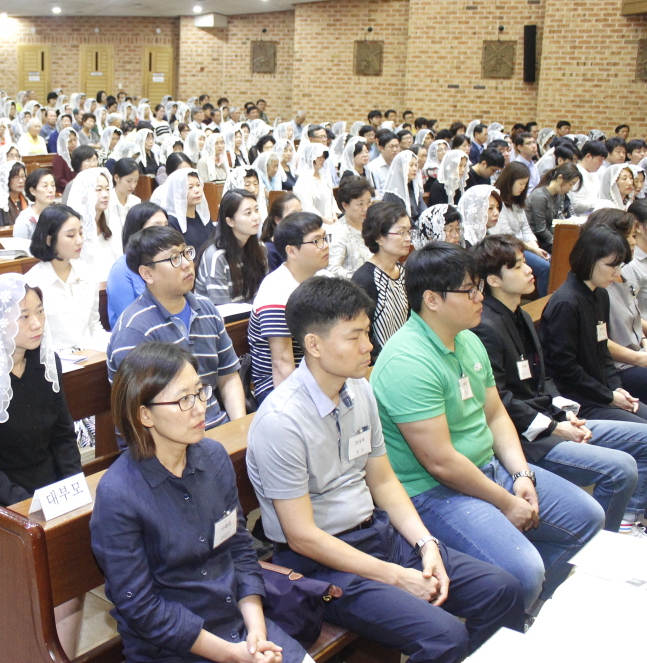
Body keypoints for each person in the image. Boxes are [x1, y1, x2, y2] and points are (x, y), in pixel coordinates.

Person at [247, 276, 525, 663]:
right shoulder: (281, 421)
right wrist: (395, 576)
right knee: (445, 636)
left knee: (503, 589)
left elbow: (383, 480)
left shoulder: (359, 388)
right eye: (355, 336)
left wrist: (426, 544)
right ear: (314, 345)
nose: (369, 345)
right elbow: (302, 537)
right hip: (323, 565)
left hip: (379, 535)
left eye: (367, 332)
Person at [372, 242, 605, 611]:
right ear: (432, 299)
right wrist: (505, 501)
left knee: (588, 518)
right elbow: (440, 463)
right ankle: (514, 611)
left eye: (478, 286)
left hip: (488, 468)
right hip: (435, 491)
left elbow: (495, 415)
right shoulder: (407, 361)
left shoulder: (467, 338)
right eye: (470, 290)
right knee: (523, 571)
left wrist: (522, 474)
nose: (480, 297)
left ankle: (530, 609)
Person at [93, 342, 311, 663]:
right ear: (145, 414)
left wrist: (256, 634)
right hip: (175, 649)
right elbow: (141, 607)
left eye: (200, 392)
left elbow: (239, 548)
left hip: (239, 625)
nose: (200, 408)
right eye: (184, 399)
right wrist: (232, 654)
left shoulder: (214, 458)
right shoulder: (119, 494)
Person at [0, 274, 84, 654]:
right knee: (64, 564)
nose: (36, 323)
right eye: (23, 316)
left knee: (90, 547)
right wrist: (28, 507)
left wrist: (75, 489)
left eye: (39, 311)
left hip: (48, 491)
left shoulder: (46, 362)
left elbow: (63, 437)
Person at [472, 234, 647, 536]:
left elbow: (543, 379)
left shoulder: (519, 314)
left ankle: (627, 518)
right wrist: (554, 427)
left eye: (525, 262)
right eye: (518, 266)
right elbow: (501, 402)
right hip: (525, 438)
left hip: (551, 417)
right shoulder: (486, 327)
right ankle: (606, 540)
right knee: (621, 468)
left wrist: (565, 414)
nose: (530, 270)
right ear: (494, 280)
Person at [108, 226, 246, 431]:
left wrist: (239, 429)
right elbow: (140, 409)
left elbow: (228, 377)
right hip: (165, 440)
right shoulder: (134, 329)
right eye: (174, 258)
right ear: (147, 273)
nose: (187, 264)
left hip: (216, 427)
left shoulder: (206, 309)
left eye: (186, 253)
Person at [540, 224, 647, 424]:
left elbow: (603, 350)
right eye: (612, 266)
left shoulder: (600, 295)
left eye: (619, 267)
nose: (616, 274)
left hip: (600, 392)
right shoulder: (566, 303)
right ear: (590, 259)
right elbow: (566, 368)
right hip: (578, 401)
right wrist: (609, 395)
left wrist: (616, 388)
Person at [249, 212, 331, 406]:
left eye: (325, 238)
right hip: (278, 388)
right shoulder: (276, 290)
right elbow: (282, 364)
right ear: (292, 251)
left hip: (317, 375)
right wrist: (296, 409)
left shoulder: (324, 278)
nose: (325, 245)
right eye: (316, 241)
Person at [24, 204, 110, 352]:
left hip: (90, 354)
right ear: (49, 240)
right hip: (55, 358)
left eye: (81, 233)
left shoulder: (87, 273)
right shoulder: (33, 282)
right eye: (71, 235)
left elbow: (94, 326)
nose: (79, 240)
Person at [351, 201, 411, 360]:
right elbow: (361, 332)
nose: (408, 238)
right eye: (401, 233)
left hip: (406, 355)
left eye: (409, 232)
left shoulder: (404, 272)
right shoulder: (364, 279)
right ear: (379, 237)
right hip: (378, 362)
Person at [194, 190, 266, 307]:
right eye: (248, 213)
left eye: (256, 210)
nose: (256, 217)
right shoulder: (216, 256)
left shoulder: (261, 248)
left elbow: (263, 294)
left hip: (252, 314)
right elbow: (222, 308)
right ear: (230, 221)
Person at [490, 162, 551, 296]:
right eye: (521, 183)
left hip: (524, 246)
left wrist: (535, 247)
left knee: (551, 260)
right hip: (509, 248)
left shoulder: (516, 202)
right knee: (545, 268)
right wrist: (533, 250)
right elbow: (507, 235)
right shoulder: (498, 202)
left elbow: (526, 228)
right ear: (510, 181)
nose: (523, 188)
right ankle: (544, 302)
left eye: (525, 184)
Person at [106, 202, 169, 327]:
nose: (164, 232)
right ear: (138, 230)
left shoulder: (167, 262)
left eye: (166, 226)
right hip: (136, 333)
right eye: (156, 226)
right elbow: (129, 320)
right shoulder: (121, 269)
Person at [153, 167, 214, 253]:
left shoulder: (203, 217)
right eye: (190, 187)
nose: (197, 190)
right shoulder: (171, 222)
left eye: (198, 185)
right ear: (178, 192)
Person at [525, 162, 579, 253]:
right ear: (560, 178)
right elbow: (540, 229)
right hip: (536, 239)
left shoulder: (559, 194)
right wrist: (557, 241)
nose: (571, 188)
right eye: (571, 184)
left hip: (549, 235)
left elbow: (558, 218)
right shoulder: (540, 196)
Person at [328, 176, 373, 279]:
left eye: (369, 202)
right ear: (345, 205)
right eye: (360, 204)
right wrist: (361, 279)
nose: (366, 208)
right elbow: (333, 269)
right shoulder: (338, 232)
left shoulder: (371, 225)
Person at [106, 156, 141, 252]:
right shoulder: (106, 201)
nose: (133, 185)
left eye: (136, 181)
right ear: (116, 178)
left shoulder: (136, 201)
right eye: (129, 181)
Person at [260, 193, 302, 271]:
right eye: (294, 214)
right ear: (278, 220)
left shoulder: (303, 242)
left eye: (301, 212)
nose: (300, 218)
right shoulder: (269, 250)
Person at [382, 149, 426, 223]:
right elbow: (401, 219)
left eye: (416, 165)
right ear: (400, 167)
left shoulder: (413, 189)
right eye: (411, 165)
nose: (414, 169)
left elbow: (423, 211)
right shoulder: (392, 193)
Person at [12, 168, 56, 240]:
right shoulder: (24, 220)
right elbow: (19, 246)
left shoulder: (58, 214)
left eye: (53, 185)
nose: (51, 190)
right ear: (33, 191)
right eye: (45, 186)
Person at [569, 141, 608, 214]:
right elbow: (576, 205)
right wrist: (600, 204)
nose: (601, 164)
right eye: (600, 159)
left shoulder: (594, 174)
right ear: (588, 157)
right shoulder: (576, 173)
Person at [0, 161, 28, 228]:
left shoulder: (28, 201)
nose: (21, 180)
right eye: (16, 177)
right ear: (7, 179)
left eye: (23, 176)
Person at [364, 131, 400, 197]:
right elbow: (376, 194)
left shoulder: (400, 165)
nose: (395, 150)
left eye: (397, 146)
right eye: (391, 147)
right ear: (381, 148)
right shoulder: (373, 167)